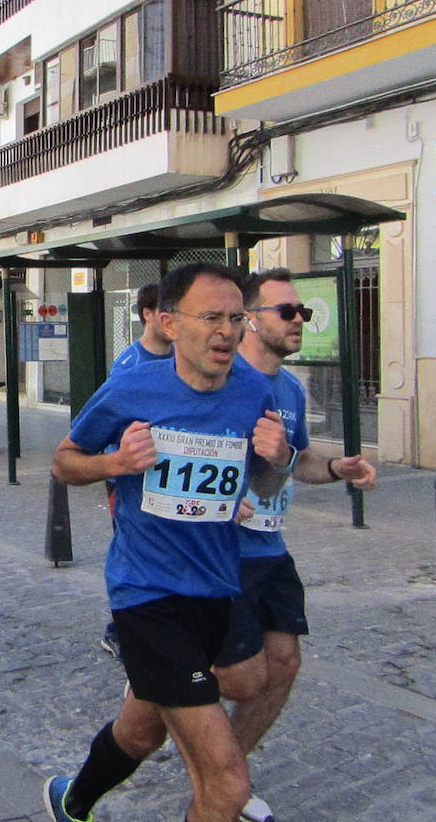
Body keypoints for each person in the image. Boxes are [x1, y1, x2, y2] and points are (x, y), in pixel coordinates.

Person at [43, 262, 295, 822]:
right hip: (147, 594)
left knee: (141, 730)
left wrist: (280, 459)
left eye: (235, 318)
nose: (226, 331)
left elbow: (265, 481)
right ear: (171, 324)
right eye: (210, 318)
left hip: (216, 588)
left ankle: (72, 800)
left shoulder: (254, 391)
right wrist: (115, 462)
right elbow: (64, 461)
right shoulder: (131, 387)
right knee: (226, 787)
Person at [214, 268, 378, 822]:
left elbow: (296, 461)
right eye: (287, 312)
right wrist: (216, 503)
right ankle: (161, 681)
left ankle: (225, 776)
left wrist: (335, 467)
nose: (299, 321)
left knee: (283, 665)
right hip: (222, 550)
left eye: (303, 312)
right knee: (242, 676)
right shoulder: (219, 378)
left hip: (270, 547)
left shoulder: (289, 389)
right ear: (252, 321)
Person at [100, 281, 175, 660]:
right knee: (132, 551)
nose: (172, 318)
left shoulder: (183, 357)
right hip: (131, 480)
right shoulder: (129, 366)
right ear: (147, 315)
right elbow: (107, 425)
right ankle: (120, 628)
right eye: (165, 311)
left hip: (172, 479)